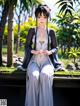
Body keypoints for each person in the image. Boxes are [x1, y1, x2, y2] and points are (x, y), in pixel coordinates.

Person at [17, 4, 66, 106]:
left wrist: (50, 52)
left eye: (44, 17)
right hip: (34, 60)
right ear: (36, 17)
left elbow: (55, 48)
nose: (42, 19)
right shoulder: (32, 30)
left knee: (45, 75)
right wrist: (33, 51)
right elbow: (27, 46)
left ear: (47, 18)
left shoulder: (51, 32)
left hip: (47, 61)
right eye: (39, 17)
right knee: (34, 76)